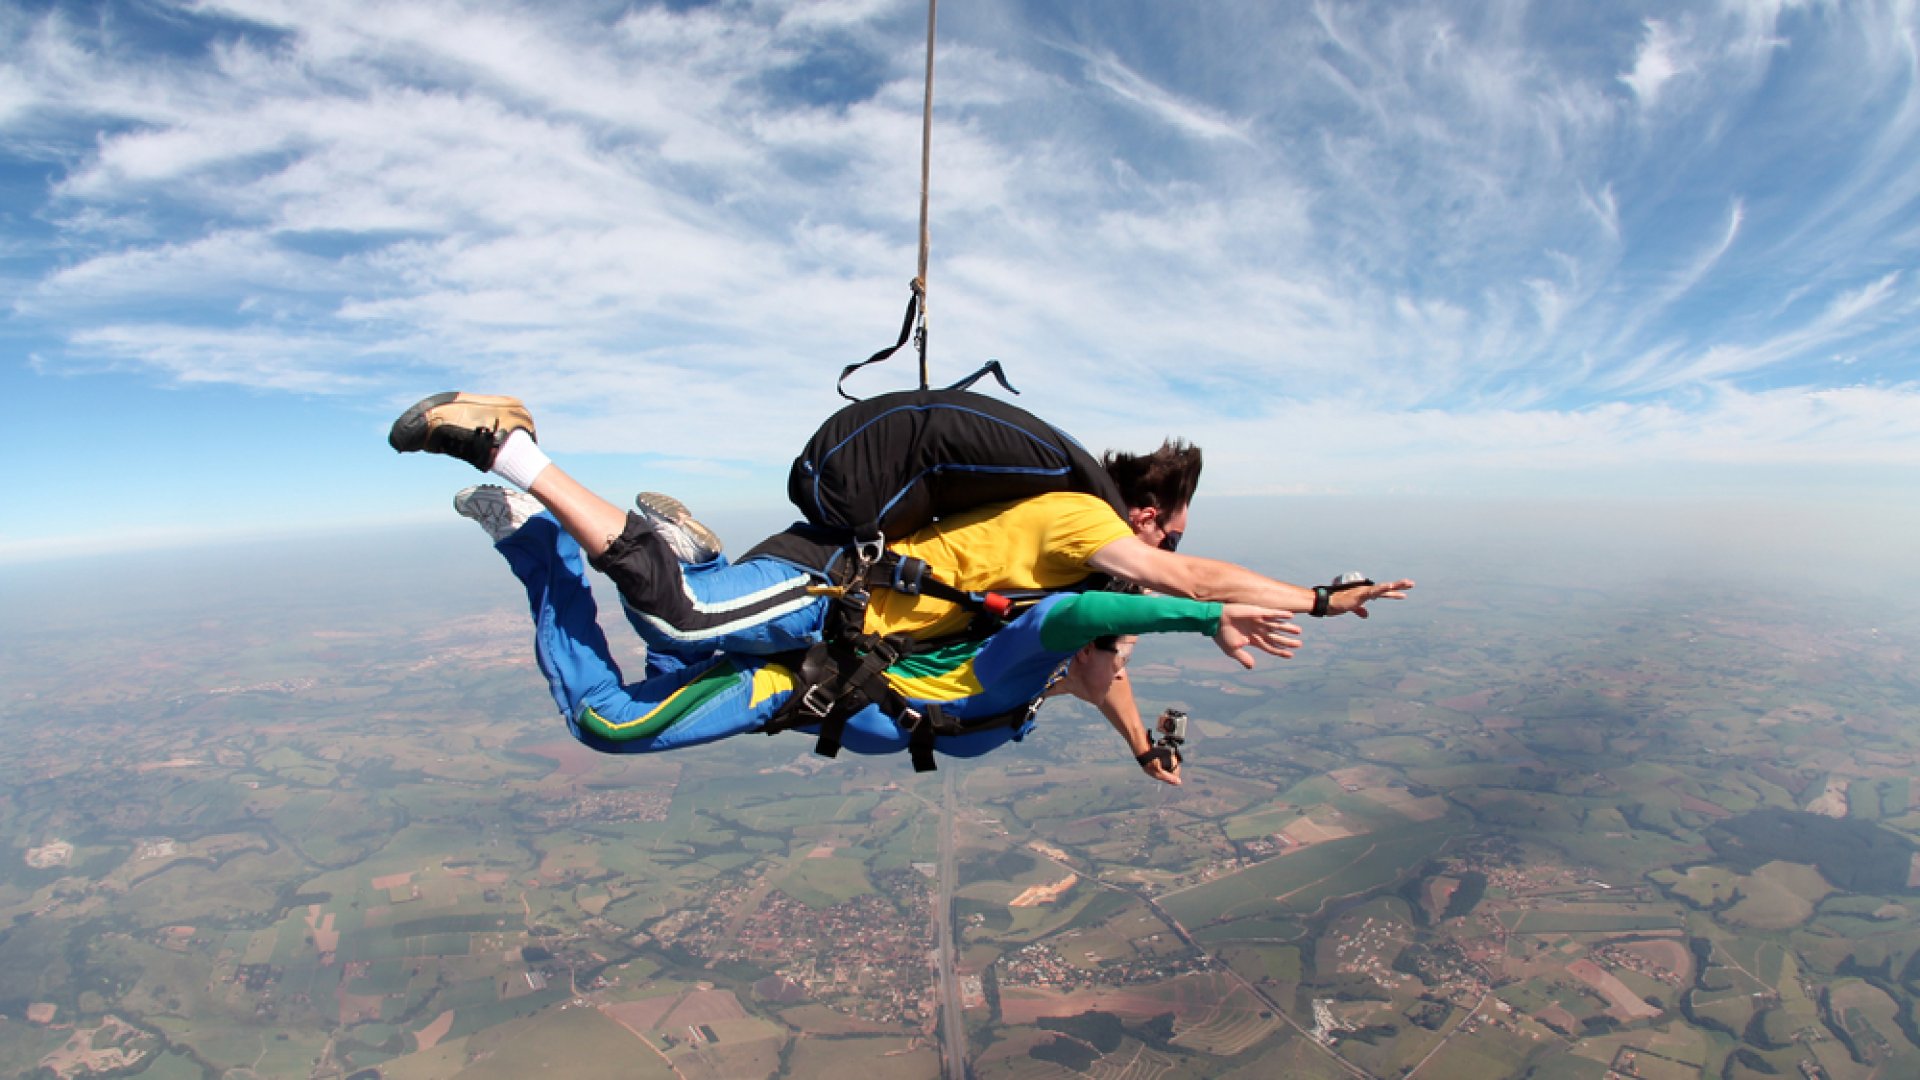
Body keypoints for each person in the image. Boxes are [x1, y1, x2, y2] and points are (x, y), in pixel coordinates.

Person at [386, 392, 1414, 669]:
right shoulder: (1084, 517)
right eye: (1169, 532)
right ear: (1145, 510)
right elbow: (1185, 581)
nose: (1169, 552)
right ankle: (509, 448)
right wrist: (1316, 598)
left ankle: (694, 546)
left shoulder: (1069, 535)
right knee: (683, 629)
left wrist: (1149, 724)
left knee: (700, 620)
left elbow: (1103, 639)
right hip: (849, 585)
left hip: (847, 581)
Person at [458, 484, 1299, 779]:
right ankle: (534, 537)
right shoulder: (1019, 652)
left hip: (809, 692)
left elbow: (1106, 676)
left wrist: (1144, 749)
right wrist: (1204, 612)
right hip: (795, 688)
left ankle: (699, 559)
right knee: (609, 721)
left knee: (677, 645)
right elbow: (1086, 618)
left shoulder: (1056, 681)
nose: (1114, 669)